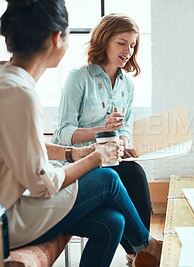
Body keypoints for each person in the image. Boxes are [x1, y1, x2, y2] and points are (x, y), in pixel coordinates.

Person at [0, 1, 161, 267]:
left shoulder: (4, 80)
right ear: (57, 38)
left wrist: (76, 153)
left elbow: (26, 147)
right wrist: (94, 158)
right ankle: (149, 247)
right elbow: (42, 183)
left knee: (112, 223)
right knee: (106, 178)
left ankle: (145, 247)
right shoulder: (18, 93)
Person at [51, 13, 152, 263]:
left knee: (134, 173)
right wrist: (101, 129)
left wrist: (125, 143)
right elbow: (64, 133)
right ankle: (140, 251)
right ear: (104, 40)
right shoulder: (79, 78)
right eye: (122, 43)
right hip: (77, 164)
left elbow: (124, 126)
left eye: (132, 45)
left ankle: (137, 253)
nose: (128, 50)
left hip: (110, 160)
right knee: (127, 176)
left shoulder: (126, 86)